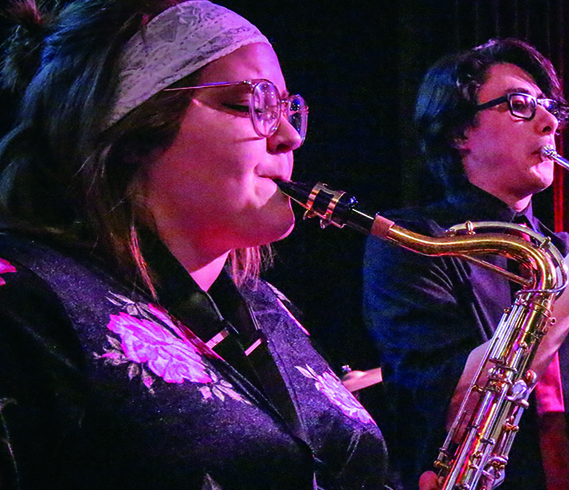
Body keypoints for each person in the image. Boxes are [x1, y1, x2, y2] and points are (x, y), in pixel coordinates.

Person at [0, 1, 388, 488]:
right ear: (135, 126)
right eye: (252, 104)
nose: (290, 136)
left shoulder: (266, 305)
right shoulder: (24, 301)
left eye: (288, 109)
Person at [362, 38, 569, 490]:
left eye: (548, 107)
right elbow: (459, 400)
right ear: (459, 132)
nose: (548, 121)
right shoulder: (414, 241)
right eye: (521, 105)